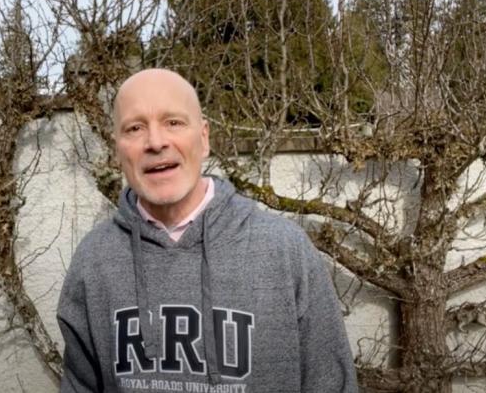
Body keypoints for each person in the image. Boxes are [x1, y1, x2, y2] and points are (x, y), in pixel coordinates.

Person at [57, 68, 358, 392]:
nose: (156, 142)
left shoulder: (285, 250)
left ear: (203, 138)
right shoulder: (93, 260)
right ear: (118, 149)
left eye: (173, 122)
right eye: (135, 127)